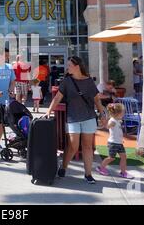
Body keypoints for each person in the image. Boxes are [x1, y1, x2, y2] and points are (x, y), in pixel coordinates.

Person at [45, 56, 106, 184]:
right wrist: (49, 110)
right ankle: (63, 167)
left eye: (69, 65)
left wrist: (102, 114)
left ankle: (88, 174)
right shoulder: (67, 81)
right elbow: (57, 98)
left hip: (88, 117)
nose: (67, 68)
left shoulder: (89, 81)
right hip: (73, 117)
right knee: (73, 145)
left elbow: (97, 100)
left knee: (87, 146)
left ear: (77, 66)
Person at [96, 103, 134, 179]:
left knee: (123, 157)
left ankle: (123, 173)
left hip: (119, 143)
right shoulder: (112, 121)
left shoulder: (117, 120)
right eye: (123, 113)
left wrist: (120, 139)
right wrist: (104, 122)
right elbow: (107, 126)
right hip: (113, 143)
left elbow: (118, 131)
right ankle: (100, 168)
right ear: (117, 113)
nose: (123, 114)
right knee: (111, 158)